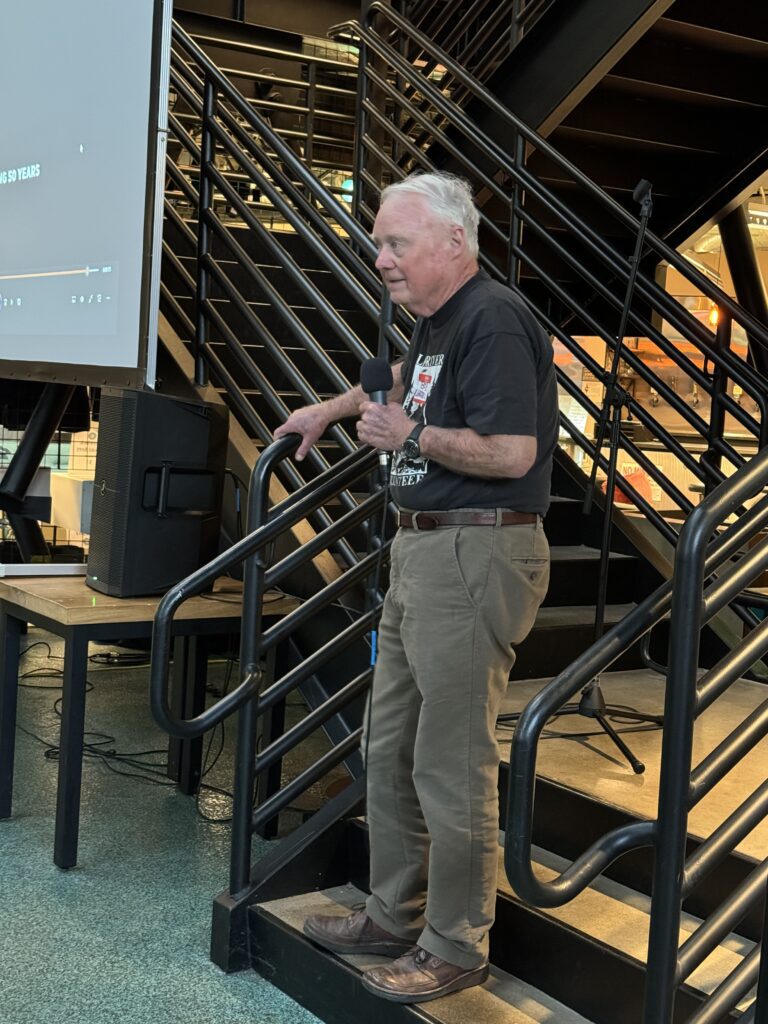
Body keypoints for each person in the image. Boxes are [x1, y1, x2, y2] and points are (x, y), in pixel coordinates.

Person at [274, 171, 558, 1003]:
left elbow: (513, 452)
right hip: (424, 551)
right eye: (379, 243)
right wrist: (330, 411)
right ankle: (393, 915)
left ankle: (456, 943)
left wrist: (411, 436)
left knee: (450, 760)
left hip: (476, 551)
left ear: (454, 242)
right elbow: (402, 379)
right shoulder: (441, 323)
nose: (381, 258)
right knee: (389, 744)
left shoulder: (494, 318)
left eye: (396, 242)